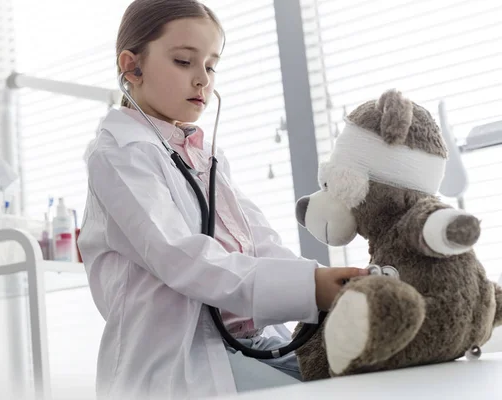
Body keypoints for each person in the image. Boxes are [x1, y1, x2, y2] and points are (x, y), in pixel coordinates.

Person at [77, 0, 367, 398]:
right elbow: (182, 258)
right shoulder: (118, 153)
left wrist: (324, 282)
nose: (203, 80)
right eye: (184, 61)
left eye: (211, 66)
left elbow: (259, 241)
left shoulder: (203, 154)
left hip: (248, 345)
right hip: (179, 365)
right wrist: (309, 287)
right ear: (132, 67)